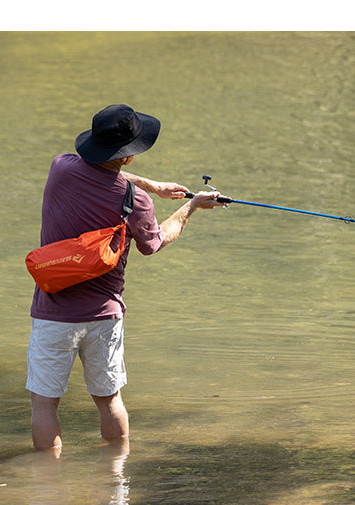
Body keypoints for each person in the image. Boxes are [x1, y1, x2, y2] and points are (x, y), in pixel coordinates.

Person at [26, 104, 223, 455]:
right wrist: (189, 207)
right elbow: (155, 242)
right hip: (105, 318)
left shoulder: (61, 169)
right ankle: (115, 478)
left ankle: (46, 486)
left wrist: (155, 186)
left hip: (52, 314)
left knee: (44, 405)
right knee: (109, 401)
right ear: (129, 157)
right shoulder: (137, 201)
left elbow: (95, 172)